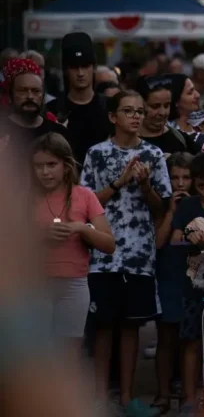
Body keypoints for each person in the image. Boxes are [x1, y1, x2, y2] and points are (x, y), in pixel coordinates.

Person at [80, 90, 172, 415]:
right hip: (103, 255)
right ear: (112, 116)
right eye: (128, 111)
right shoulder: (96, 154)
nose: (136, 116)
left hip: (139, 254)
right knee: (103, 327)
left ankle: (127, 398)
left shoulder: (154, 154)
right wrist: (118, 183)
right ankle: (98, 396)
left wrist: (145, 186)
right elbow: (86, 205)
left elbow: (162, 209)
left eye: (139, 111)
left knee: (131, 326)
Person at [32, 133, 115, 349]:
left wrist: (82, 228)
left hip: (74, 285)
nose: (44, 171)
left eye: (51, 164)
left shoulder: (85, 196)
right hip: (34, 283)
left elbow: (109, 244)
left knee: (68, 352)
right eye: (38, 166)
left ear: (66, 165)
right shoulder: (26, 197)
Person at [167, 153, 204, 415]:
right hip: (193, 286)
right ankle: (190, 399)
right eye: (202, 186)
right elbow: (174, 238)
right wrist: (190, 237)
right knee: (191, 341)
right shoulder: (188, 207)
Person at [150, 152, 194, 414]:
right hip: (168, 275)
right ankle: (163, 393)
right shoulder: (160, 206)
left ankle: (189, 395)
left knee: (191, 340)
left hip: (194, 277)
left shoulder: (202, 203)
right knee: (165, 338)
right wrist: (172, 213)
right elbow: (157, 243)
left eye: (186, 177)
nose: (180, 183)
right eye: (174, 177)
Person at [48, 32, 111, 164]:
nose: (80, 73)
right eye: (74, 67)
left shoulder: (110, 107)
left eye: (85, 66)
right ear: (66, 70)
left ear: (94, 68)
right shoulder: (52, 110)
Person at [5, 58, 69, 143]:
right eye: (22, 91)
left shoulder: (58, 133)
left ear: (43, 95)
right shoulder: (2, 130)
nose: (30, 96)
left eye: (36, 91)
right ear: (11, 95)